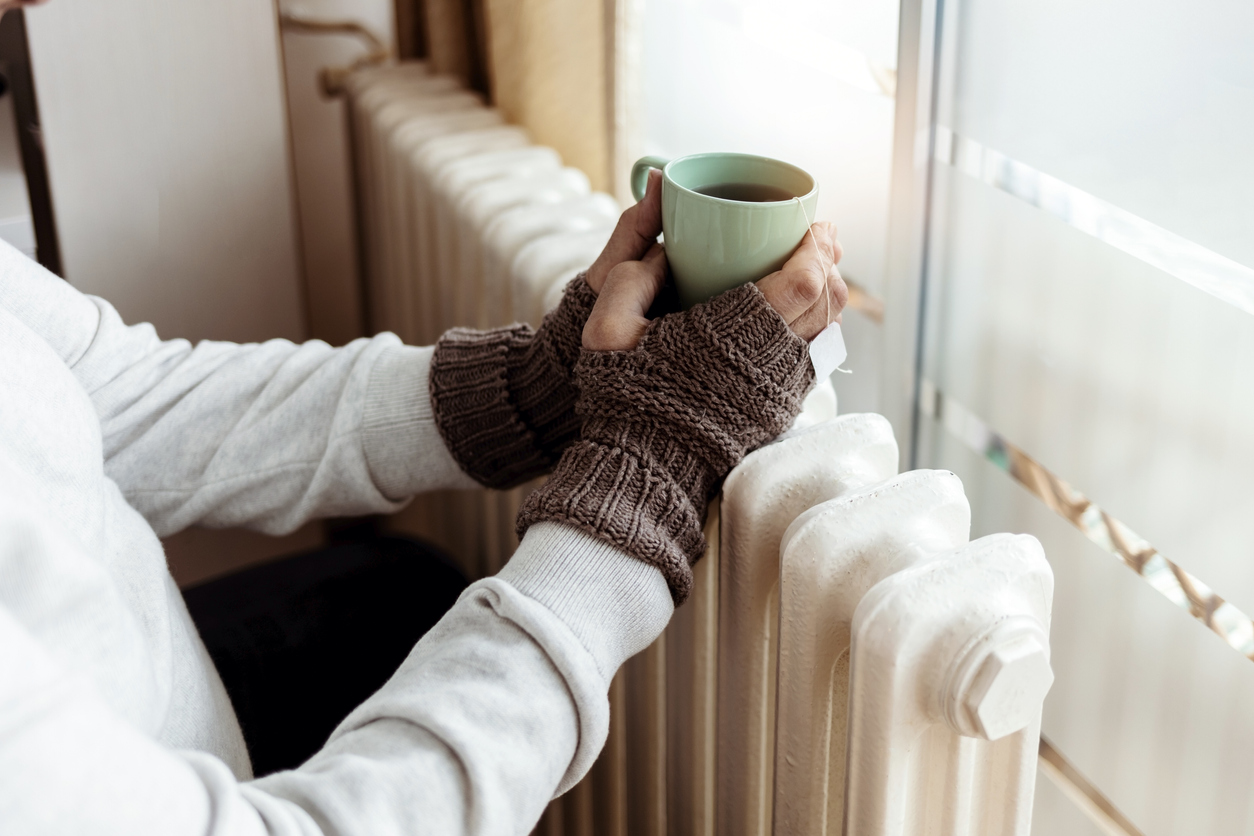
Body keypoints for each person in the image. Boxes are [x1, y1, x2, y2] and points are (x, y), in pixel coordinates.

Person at [0, 16, 846, 833]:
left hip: (144, 688)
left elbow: (118, 395)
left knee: (407, 584)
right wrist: (651, 470)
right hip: (168, 776)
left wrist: (533, 390)